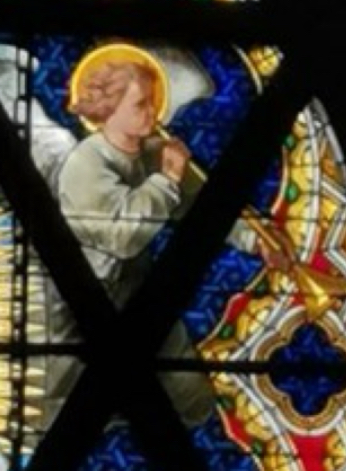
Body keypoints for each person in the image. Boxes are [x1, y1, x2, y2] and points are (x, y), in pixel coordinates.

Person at [43, 51, 289, 426]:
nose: (153, 112)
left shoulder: (156, 153)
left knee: (193, 401)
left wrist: (256, 242)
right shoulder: (85, 164)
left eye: (154, 100)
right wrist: (167, 180)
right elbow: (123, 237)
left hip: (143, 297)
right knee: (63, 415)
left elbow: (204, 210)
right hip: (83, 309)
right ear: (108, 108)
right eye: (141, 103)